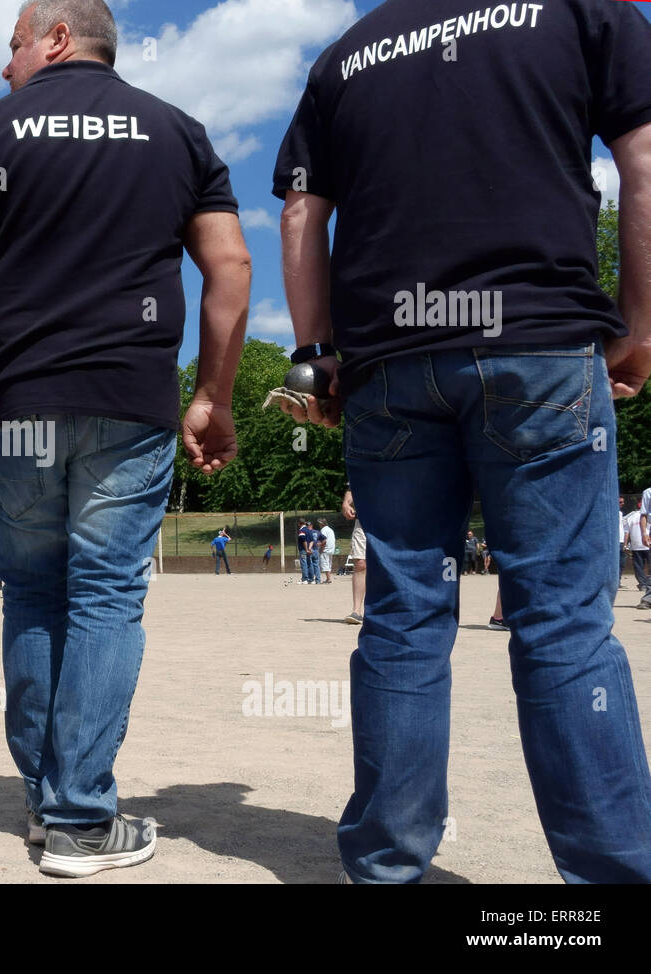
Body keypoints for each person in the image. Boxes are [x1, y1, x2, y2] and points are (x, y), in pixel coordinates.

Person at [274, 0, 651, 882]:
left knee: (402, 620)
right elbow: (641, 156)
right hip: (540, 339)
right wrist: (638, 318)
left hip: (390, 365)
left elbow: (300, 213)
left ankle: (387, 865)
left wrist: (315, 355)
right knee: (563, 625)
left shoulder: (345, 55)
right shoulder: (580, 9)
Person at [0, 0, 248, 877]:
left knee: (31, 592)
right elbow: (230, 268)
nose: (4, 66)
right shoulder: (179, 132)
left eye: (13, 44)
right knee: (105, 595)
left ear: (57, 36)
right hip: (128, 401)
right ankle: (79, 816)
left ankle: (45, 802)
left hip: (19, 401)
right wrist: (213, 395)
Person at [341, 490, 365, 625]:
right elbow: (351, 487)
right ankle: (356, 611)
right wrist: (346, 503)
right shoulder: (363, 467)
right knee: (360, 563)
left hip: (391, 521)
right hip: (363, 520)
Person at [317, 518, 335, 584]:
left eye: (319, 523)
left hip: (325, 549)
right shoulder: (330, 529)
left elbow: (324, 540)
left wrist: (321, 548)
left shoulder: (323, 530)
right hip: (331, 549)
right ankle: (328, 578)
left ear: (321, 524)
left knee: (325, 564)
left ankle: (328, 579)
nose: (318, 524)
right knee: (329, 564)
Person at [296, 519, 312, 584]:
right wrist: (310, 549)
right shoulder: (309, 530)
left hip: (303, 550)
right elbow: (312, 541)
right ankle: (310, 579)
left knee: (304, 564)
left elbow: (304, 541)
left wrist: (306, 549)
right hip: (309, 549)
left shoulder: (301, 530)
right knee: (309, 564)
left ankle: (305, 579)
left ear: (299, 523)